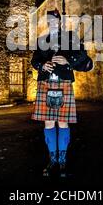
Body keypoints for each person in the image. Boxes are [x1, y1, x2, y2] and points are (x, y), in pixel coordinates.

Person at [31, 9, 93, 178]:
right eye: (49, 20)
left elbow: (82, 55)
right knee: (49, 124)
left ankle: (63, 160)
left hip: (64, 82)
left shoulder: (70, 37)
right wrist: (42, 65)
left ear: (59, 22)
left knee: (63, 123)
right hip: (45, 83)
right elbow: (34, 60)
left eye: (55, 20)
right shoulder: (41, 40)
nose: (52, 23)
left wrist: (68, 60)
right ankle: (52, 160)